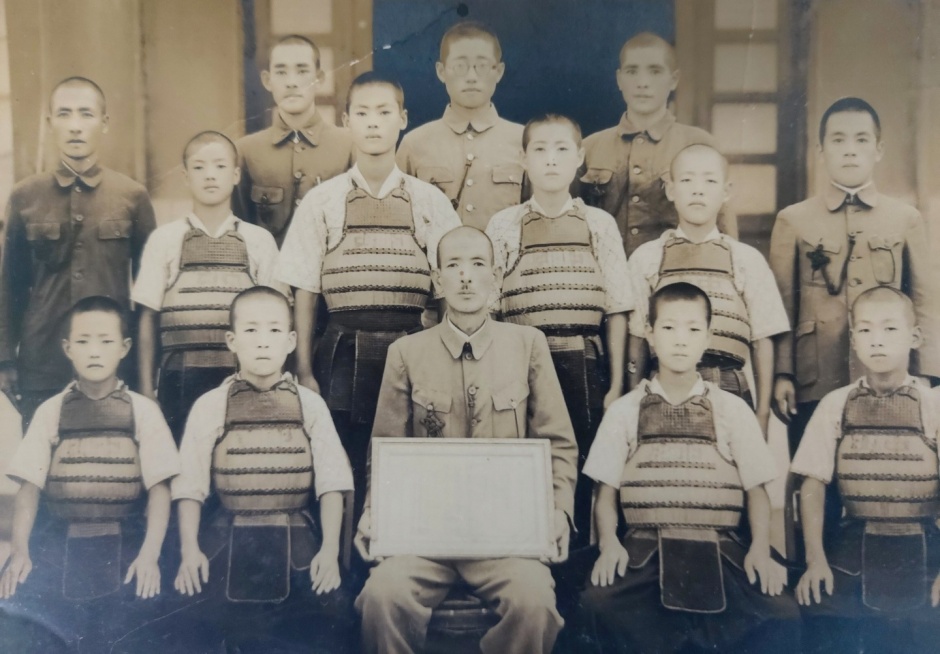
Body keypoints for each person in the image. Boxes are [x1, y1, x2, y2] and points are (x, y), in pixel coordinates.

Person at [354, 226, 577, 654]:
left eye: (478, 264)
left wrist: (559, 511)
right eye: (453, 265)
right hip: (425, 536)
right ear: (437, 281)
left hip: (504, 535)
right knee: (383, 595)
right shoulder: (407, 353)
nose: (466, 276)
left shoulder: (528, 345)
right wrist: (372, 511)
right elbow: (384, 450)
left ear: (496, 276)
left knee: (534, 603)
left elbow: (558, 442)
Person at [578, 282, 799, 653]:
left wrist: (761, 549)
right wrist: (610, 543)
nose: (680, 340)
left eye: (693, 329)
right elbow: (605, 494)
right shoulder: (625, 410)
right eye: (668, 327)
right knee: (596, 605)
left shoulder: (733, 409)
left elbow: (757, 492)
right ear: (650, 334)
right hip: (643, 550)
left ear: (708, 337)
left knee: (781, 614)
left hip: (720, 549)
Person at [276, 71, 461, 514]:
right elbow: (305, 289)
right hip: (341, 351)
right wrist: (305, 370)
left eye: (383, 112)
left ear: (403, 119)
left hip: (413, 347)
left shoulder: (429, 200)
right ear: (346, 121)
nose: (373, 123)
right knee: (345, 459)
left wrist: (446, 363)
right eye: (362, 113)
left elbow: (448, 291)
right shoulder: (323, 201)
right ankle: (345, 552)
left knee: (411, 460)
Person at [157, 286, 355, 652]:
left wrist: (328, 551)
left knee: (329, 618)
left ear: (291, 340)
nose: (263, 341)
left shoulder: (310, 404)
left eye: (274, 330)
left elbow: (332, 484)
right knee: (189, 618)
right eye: (251, 330)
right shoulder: (210, 405)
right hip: (227, 536)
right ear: (231, 341)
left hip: (299, 539)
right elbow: (189, 487)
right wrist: (190, 550)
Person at [0, 296, 179, 652]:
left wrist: (149, 554)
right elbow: (29, 488)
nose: (94, 351)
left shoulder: (143, 411)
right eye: (83, 341)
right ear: (68, 348)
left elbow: (160, 489)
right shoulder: (51, 411)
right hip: (62, 539)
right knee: (24, 609)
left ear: (124, 348)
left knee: (145, 620)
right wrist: (20, 549)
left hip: (127, 538)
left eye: (105, 341)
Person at [486, 113, 631, 546]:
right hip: (521, 366)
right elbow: (490, 311)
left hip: (585, 364)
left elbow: (617, 309)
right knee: (526, 461)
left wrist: (616, 385)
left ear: (580, 157)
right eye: (540, 150)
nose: (551, 160)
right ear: (523, 159)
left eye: (562, 149)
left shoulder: (598, 224)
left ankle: (581, 562)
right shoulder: (504, 225)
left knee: (585, 463)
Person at [770, 96, 940, 454]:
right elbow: (781, 307)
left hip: (890, 375)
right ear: (820, 150)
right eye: (838, 139)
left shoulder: (905, 218)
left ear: (878, 150)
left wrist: (925, 372)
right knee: (816, 473)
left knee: (885, 470)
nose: (850, 150)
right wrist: (783, 372)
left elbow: (924, 301)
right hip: (814, 378)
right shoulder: (793, 220)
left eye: (861, 139)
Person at [791, 287, 940, 654]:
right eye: (866, 330)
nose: (877, 340)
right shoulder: (835, 404)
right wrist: (815, 560)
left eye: (890, 329)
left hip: (924, 547)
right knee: (818, 613)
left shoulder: (933, 404)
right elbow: (813, 483)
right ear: (853, 339)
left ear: (914, 337)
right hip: (853, 544)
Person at [0, 77, 156, 426]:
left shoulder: (132, 196)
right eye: (64, 114)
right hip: (44, 363)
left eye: (86, 114)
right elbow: (10, 285)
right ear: (49, 123)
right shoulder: (25, 196)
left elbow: (148, 295)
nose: (75, 126)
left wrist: (147, 366)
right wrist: (5, 359)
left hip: (115, 363)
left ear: (104, 122)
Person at [132, 130, 286, 442]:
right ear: (186, 176)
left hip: (244, 377)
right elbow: (147, 317)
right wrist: (147, 390)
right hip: (178, 379)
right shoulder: (164, 240)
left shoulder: (259, 241)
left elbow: (279, 319)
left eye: (220, 166)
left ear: (235, 175)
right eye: (199, 167)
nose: (210, 175)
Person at [627, 144, 789, 435]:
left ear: (726, 192)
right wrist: (634, 401)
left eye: (710, 181)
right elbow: (637, 337)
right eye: (687, 180)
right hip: (663, 388)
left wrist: (762, 413)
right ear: (671, 190)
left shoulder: (746, 259)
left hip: (730, 386)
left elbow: (763, 338)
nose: (698, 190)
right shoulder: (648, 257)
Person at [579, 32, 736, 257]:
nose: (642, 83)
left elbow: (725, 231)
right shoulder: (590, 147)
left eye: (655, 71)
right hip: (606, 272)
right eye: (632, 71)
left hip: (677, 271)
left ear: (673, 80)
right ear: (619, 79)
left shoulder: (699, 144)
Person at [396, 20, 524, 230]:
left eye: (482, 66)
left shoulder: (524, 141)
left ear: (499, 71)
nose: (471, 77)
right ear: (441, 71)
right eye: (459, 67)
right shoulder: (414, 144)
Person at [234, 34, 353, 247]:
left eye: (302, 71)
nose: (291, 82)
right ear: (267, 81)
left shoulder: (349, 145)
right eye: (281, 72)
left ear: (319, 79)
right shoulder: (246, 151)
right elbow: (240, 228)